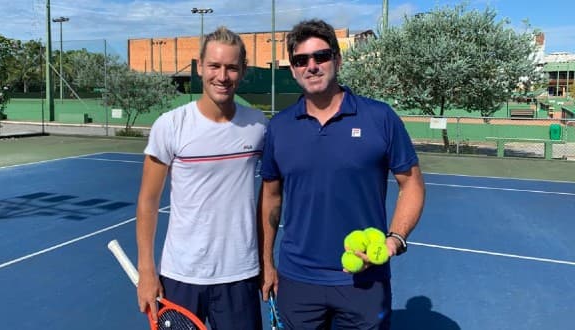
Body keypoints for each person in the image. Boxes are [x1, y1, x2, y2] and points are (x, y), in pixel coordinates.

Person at [258, 19, 425, 329]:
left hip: (365, 282)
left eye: (320, 56)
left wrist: (396, 238)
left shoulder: (380, 117)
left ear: (337, 59)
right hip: (297, 281)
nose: (312, 66)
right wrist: (267, 263)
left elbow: (412, 183)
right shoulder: (279, 127)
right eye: (300, 60)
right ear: (293, 69)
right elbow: (270, 197)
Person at [135, 26, 266, 329]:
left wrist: (267, 262)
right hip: (181, 276)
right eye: (214, 66)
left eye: (232, 67)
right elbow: (147, 201)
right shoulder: (170, 125)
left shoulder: (259, 126)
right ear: (200, 67)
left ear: (243, 71)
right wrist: (146, 271)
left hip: (240, 274)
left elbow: (274, 191)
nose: (222, 76)